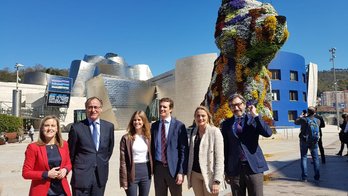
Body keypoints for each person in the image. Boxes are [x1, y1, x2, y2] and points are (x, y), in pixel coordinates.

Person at [221, 93, 272, 196]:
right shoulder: (226, 124)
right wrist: (226, 170)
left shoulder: (253, 119)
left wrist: (256, 116)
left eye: (238, 104)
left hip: (254, 167)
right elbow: (225, 148)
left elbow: (268, 133)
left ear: (244, 104)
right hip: (235, 169)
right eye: (232, 106)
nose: (236, 108)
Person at [68, 97, 115, 196]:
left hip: (100, 177)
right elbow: (71, 153)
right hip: (81, 177)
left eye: (96, 107)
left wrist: (101, 161)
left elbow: (109, 150)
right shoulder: (76, 128)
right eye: (90, 107)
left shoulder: (109, 127)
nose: (93, 110)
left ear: (101, 109)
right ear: (86, 109)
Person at [22, 115, 72, 196]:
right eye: (46, 125)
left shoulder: (64, 144)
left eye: (53, 126)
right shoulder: (33, 147)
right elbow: (26, 173)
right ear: (42, 128)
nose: (50, 128)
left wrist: (65, 170)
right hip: (42, 191)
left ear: (57, 129)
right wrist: (46, 174)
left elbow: (68, 164)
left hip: (62, 191)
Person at [150, 97, 188, 196]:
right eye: (160, 106)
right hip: (158, 169)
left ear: (170, 109)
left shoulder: (179, 126)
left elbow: (183, 151)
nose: (161, 109)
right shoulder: (154, 126)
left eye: (164, 107)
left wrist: (181, 172)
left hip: (174, 170)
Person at [187, 106, 224, 196]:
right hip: (195, 175)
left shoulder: (215, 132)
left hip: (210, 175)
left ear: (208, 116)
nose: (200, 118)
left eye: (203, 116)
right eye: (198, 116)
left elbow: (220, 158)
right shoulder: (193, 132)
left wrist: (217, 180)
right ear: (195, 118)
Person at [119, 111, 153, 196]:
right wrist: (123, 180)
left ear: (144, 121)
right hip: (132, 172)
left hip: (146, 172)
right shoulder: (126, 138)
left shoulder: (149, 137)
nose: (136, 122)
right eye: (134, 120)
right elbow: (122, 162)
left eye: (139, 119)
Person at [295, 106, 321, 181]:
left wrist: (300, 116)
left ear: (308, 112)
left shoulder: (304, 119)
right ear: (315, 112)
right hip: (314, 141)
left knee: (304, 157)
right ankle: (317, 176)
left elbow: (296, 122)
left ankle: (304, 177)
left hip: (304, 140)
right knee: (315, 158)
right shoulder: (318, 120)